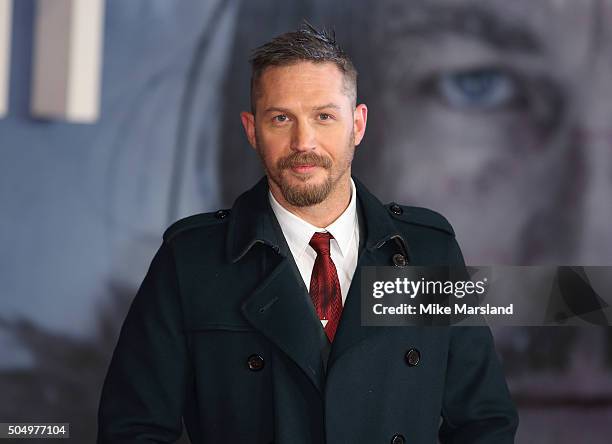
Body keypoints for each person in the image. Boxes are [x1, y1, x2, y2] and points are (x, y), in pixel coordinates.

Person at [98, 22, 518, 444]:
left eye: (324, 116)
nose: (304, 141)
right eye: (281, 118)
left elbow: (484, 422)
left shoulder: (429, 249)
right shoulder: (191, 261)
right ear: (251, 129)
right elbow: (133, 430)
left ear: (357, 124)